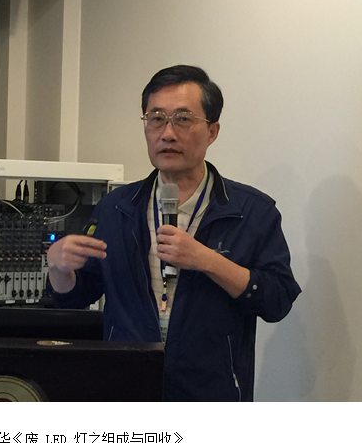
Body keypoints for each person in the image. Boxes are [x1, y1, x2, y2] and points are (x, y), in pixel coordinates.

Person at [46, 65, 301, 401]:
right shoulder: (116, 208)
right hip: (127, 388)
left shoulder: (251, 211)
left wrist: (206, 260)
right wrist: (58, 268)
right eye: (156, 119)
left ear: (212, 131)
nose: (167, 133)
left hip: (211, 393)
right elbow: (76, 296)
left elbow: (277, 301)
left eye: (182, 119)